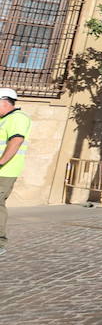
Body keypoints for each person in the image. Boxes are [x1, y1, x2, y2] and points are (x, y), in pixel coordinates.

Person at [0, 88, 31, 257]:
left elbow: (17, 140)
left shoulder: (18, 118)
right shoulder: (5, 119)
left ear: (4, 102)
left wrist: (1, 161)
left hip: (5, 171)